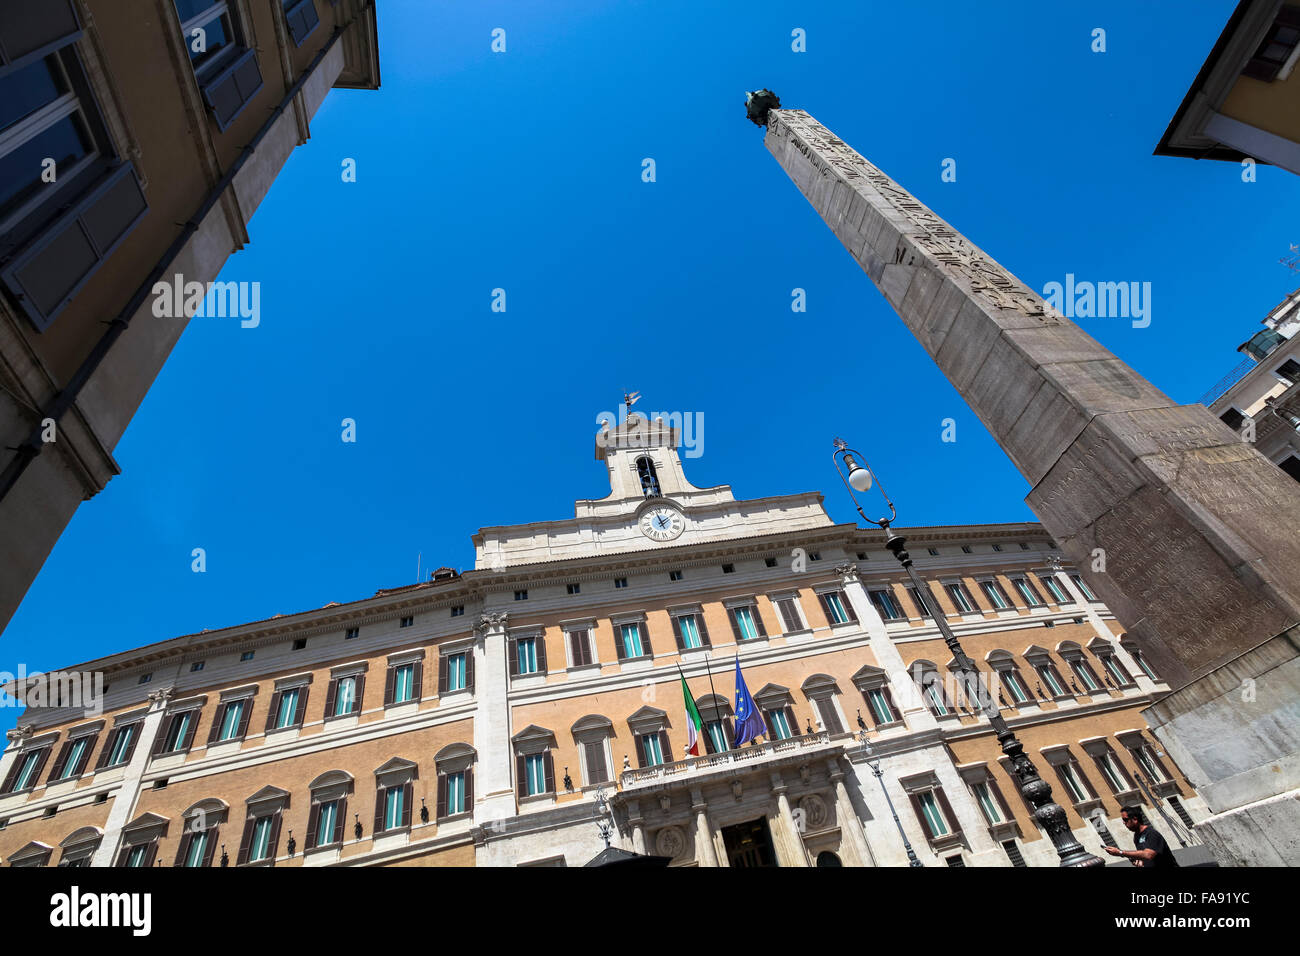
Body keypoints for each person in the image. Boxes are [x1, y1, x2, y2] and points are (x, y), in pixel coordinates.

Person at [1104, 805, 1179, 867]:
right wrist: (1140, 862)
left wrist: (1120, 852)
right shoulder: (1136, 836)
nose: (1124, 822)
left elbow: (1149, 854)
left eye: (1125, 820)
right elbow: (1145, 857)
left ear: (1135, 819)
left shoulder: (1151, 833)